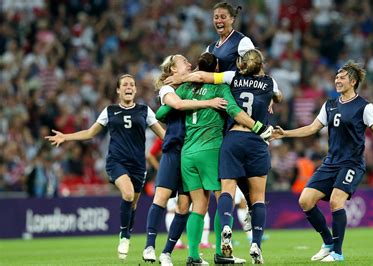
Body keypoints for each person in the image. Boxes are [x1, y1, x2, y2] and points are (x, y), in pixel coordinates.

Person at [271, 60, 373, 262]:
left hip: (352, 164)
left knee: (335, 201)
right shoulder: (329, 105)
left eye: (342, 77)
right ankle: (328, 243)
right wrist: (285, 133)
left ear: (353, 81)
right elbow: (312, 128)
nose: (337, 80)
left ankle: (337, 253)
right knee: (305, 200)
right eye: (336, 77)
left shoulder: (364, 106)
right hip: (330, 163)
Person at [165, 49, 282, 264]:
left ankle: (198, 247)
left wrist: (179, 79)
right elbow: (277, 96)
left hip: (224, 143)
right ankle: (254, 243)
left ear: (241, 64)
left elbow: (197, 79)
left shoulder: (232, 78)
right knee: (257, 198)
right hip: (254, 141)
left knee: (219, 194)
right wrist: (269, 102)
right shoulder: (269, 82)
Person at [45, 74, 166, 260]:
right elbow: (90, 133)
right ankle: (124, 236)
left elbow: (162, 134)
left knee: (133, 204)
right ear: (118, 90)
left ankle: (127, 231)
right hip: (116, 162)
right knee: (126, 194)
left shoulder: (144, 110)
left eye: (131, 85)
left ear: (135, 90)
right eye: (124, 84)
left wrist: (183, 143)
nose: (128, 87)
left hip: (138, 166)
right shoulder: (110, 111)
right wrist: (65, 137)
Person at [142, 54, 227, 265]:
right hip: (173, 151)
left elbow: (163, 113)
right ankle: (149, 247)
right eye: (184, 62)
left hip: (188, 152)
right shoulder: (168, 89)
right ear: (172, 69)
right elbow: (173, 107)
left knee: (184, 205)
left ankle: (167, 252)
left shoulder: (188, 85)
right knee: (161, 197)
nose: (190, 64)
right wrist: (209, 103)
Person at [207, 1, 257, 238]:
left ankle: (248, 205)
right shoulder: (212, 47)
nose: (218, 21)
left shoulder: (242, 41)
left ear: (232, 19)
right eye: (215, 17)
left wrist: (269, 93)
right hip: (220, 110)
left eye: (223, 17)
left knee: (238, 164)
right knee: (228, 167)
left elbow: (253, 68)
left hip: (237, 106)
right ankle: (245, 206)